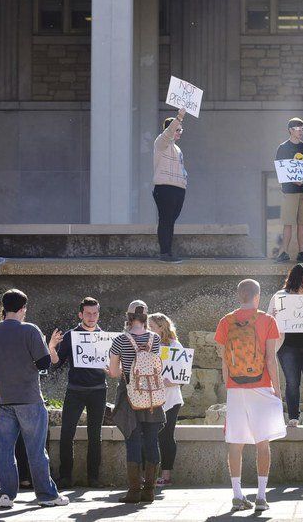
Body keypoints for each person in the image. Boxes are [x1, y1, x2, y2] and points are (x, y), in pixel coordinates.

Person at [0, 289, 68, 509]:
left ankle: (7, 494)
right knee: (36, 450)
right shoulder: (30, 330)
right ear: (22, 309)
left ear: (4, 307)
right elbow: (44, 364)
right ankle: (46, 495)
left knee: (5, 449)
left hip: (1, 399)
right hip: (28, 398)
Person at [215, 279, 285, 512]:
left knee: (236, 443)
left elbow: (224, 359)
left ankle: (237, 495)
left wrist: (229, 386)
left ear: (238, 296)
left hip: (235, 389)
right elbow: (270, 360)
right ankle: (262, 497)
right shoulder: (267, 320)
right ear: (257, 296)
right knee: (262, 443)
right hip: (261, 386)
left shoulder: (226, 321)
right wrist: (277, 389)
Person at [108, 300, 165, 503]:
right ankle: (149, 491)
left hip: (129, 396)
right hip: (152, 397)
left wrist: (114, 370)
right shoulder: (155, 339)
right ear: (146, 317)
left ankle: (133, 492)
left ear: (129, 316)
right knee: (151, 440)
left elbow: (114, 372)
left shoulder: (120, 340)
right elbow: (155, 366)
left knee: (133, 441)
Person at [48, 297, 106, 489]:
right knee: (66, 433)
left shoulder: (105, 336)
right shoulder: (72, 335)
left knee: (95, 434)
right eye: (88, 313)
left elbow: (113, 366)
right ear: (80, 314)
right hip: (75, 390)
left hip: (98, 390)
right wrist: (52, 347)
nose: (91, 317)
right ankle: (65, 476)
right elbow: (56, 363)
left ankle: (94, 477)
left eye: (95, 313)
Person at [267, 263, 303, 427]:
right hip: (287, 346)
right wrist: (275, 316)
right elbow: (268, 320)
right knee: (292, 382)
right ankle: (293, 417)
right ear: (301, 278)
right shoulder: (280, 296)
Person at [148, 313, 184, 488]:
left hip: (171, 398)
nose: (149, 330)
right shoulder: (148, 345)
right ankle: (149, 474)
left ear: (161, 328)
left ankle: (166, 475)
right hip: (151, 398)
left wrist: (171, 381)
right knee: (150, 436)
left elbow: (184, 375)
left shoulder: (176, 346)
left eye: (152, 327)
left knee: (166, 436)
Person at [274, 117, 303, 263]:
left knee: (302, 224)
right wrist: (293, 180)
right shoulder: (283, 148)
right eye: (299, 129)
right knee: (288, 222)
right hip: (289, 192)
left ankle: (302, 253)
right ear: (291, 130)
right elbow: (280, 170)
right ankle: (283, 252)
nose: (301, 132)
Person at [153, 106, 187, 262]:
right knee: (166, 220)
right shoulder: (161, 142)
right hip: (165, 188)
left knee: (171, 221)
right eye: (177, 129)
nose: (179, 132)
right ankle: (164, 253)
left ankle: (168, 251)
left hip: (177, 189)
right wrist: (179, 117)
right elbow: (168, 134)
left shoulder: (177, 149)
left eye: (181, 130)